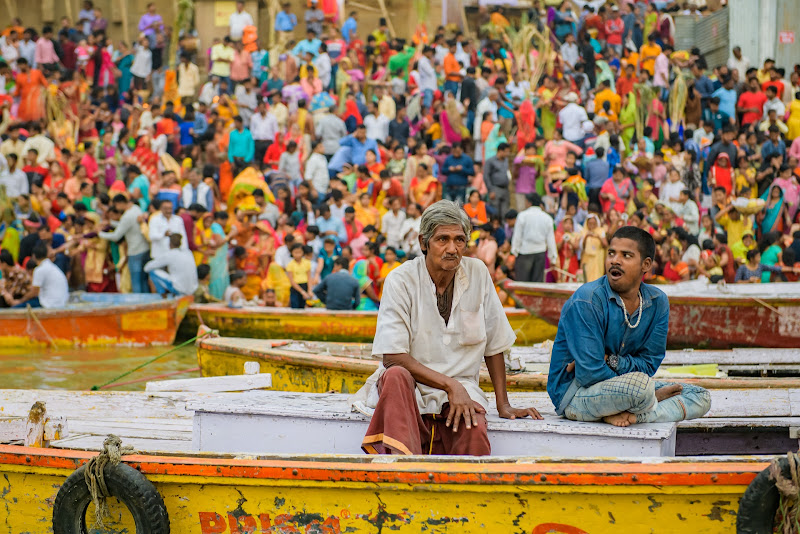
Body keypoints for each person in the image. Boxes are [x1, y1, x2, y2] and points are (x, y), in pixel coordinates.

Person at [354, 200, 541, 456]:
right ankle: (402, 474)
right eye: (442, 239)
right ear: (423, 242)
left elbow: (495, 344)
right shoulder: (401, 279)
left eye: (459, 240)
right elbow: (393, 356)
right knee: (396, 376)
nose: (452, 249)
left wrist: (504, 404)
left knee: (472, 429)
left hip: (464, 390)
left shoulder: (478, 272)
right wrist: (451, 386)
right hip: (413, 387)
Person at [547, 226, 711, 427]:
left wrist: (610, 360)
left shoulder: (657, 302)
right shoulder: (587, 300)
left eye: (626, 255)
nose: (615, 260)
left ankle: (635, 415)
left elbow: (649, 364)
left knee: (700, 396)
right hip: (576, 394)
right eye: (611, 253)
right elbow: (590, 374)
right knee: (642, 388)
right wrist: (639, 386)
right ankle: (648, 401)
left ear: (646, 264)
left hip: (627, 388)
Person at [99, 194, 149, 293]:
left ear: (119, 204)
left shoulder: (127, 216)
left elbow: (116, 236)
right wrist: (111, 223)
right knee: (143, 280)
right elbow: (126, 226)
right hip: (144, 249)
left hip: (135, 251)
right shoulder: (135, 208)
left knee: (136, 281)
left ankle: (138, 303)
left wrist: (100, 234)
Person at [511, 193, 557, 283]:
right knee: (536, 284)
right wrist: (553, 257)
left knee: (522, 283)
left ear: (529, 202)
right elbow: (551, 240)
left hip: (524, 252)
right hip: (540, 253)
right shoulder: (547, 218)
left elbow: (517, 236)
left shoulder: (522, 215)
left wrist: (514, 251)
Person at [9, 243, 68, 308]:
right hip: (60, 302)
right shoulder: (50, 266)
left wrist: (19, 301)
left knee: (14, 308)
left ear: (34, 256)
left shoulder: (40, 269)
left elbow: (34, 293)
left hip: (50, 304)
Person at [286, 242, 312, 308]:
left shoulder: (307, 263)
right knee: (295, 306)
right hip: (295, 288)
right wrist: (302, 292)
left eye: (299, 252)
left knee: (303, 306)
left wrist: (309, 290)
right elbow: (292, 281)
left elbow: (309, 277)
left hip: (305, 285)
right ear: (292, 253)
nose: (298, 255)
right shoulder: (290, 264)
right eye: (295, 252)